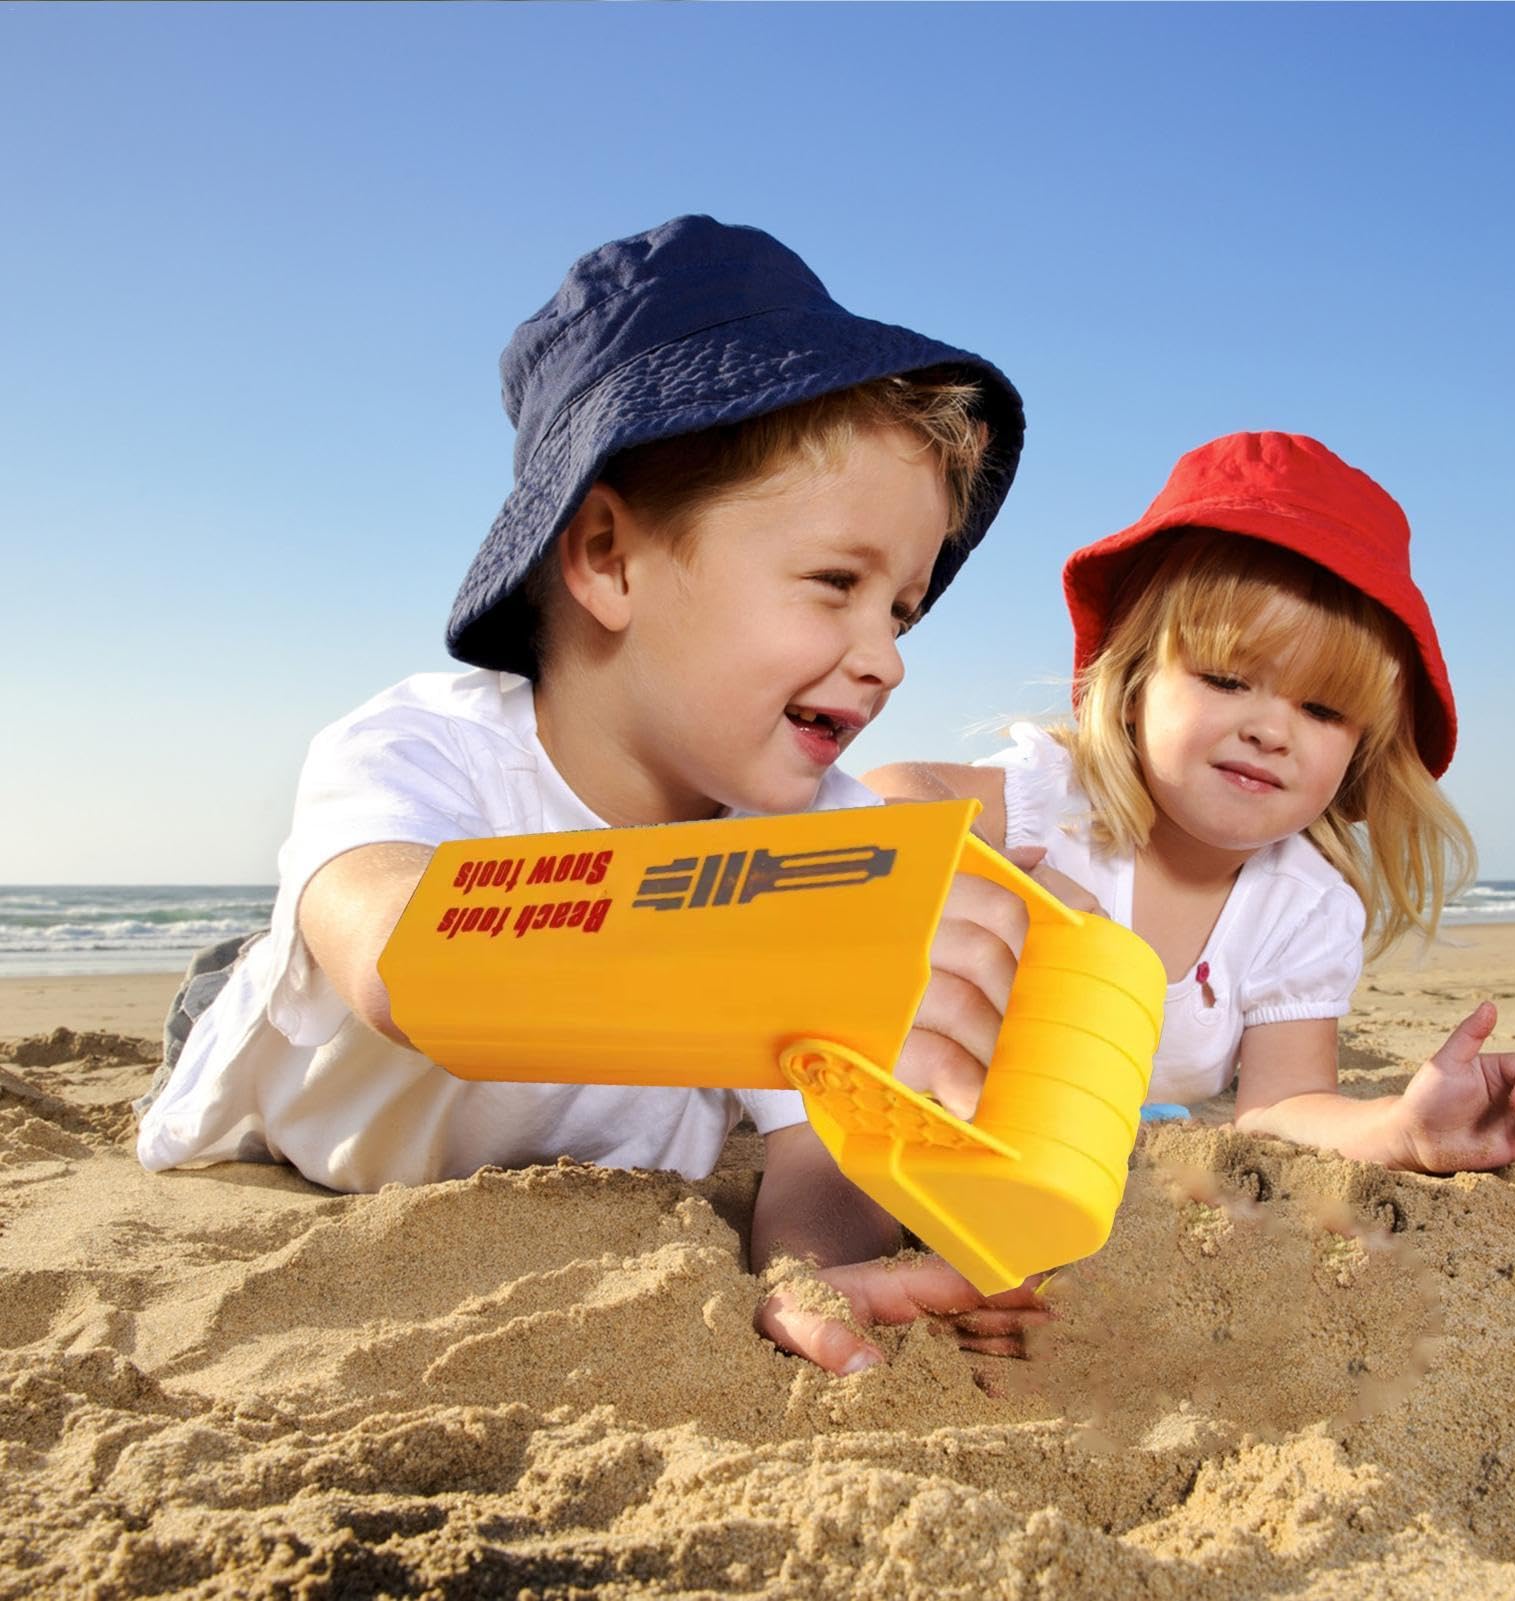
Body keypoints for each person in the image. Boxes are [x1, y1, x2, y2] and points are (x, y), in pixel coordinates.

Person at [136, 215, 1045, 1374]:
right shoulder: (421, 745)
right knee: (263, 980)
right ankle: (229, 973)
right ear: (608, 557)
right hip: (324, 1094)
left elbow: (822, 1145)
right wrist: (759, 942)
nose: (887, 656)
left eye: (901, 609)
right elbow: (401, 956)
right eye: (834, 583)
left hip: (575, 1133)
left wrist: (810, 1269)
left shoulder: (832, 835)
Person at [864, 432, 1515, 1172]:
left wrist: (1401, 1129)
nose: (1269, 729)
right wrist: (961, 868)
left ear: (1360, 749)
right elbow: (888, 788)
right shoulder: (1056, 796)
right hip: (918, 1098)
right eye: (1226, 680)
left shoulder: (1302, 906)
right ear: (1136, 682)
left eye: (1322, 710)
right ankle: (816, 1278)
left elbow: (1279, 1106)